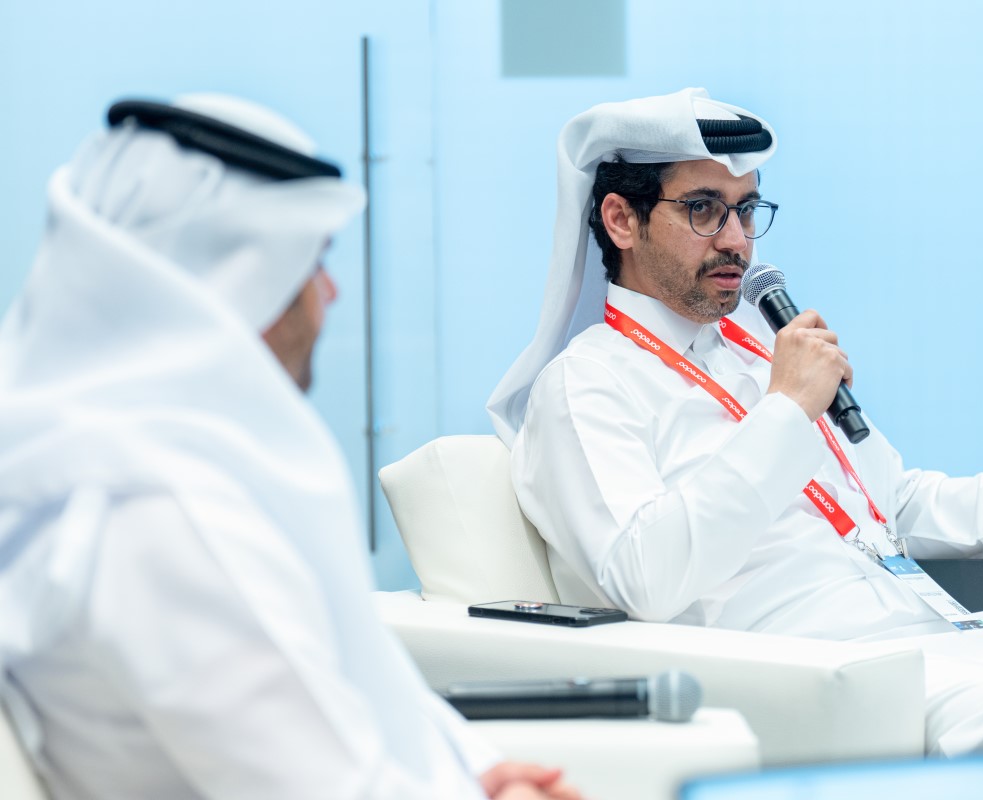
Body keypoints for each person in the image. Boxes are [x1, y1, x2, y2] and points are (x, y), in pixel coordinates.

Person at [489, 87, 983, 800]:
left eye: (746, 209)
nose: (737, 241)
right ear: (621, 219)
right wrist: (786, 410)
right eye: (703, 209)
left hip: (944, 634)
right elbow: (642, 576)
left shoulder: (757, 349)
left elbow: (892, 503)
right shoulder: (586, 384)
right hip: (816, 668)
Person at [0, 95, 578, 800]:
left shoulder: (119, 468)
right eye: (312, 263)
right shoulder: (157, 513)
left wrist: (474, 773)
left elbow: (350, 705)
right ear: (240, 277)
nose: (328, 294)